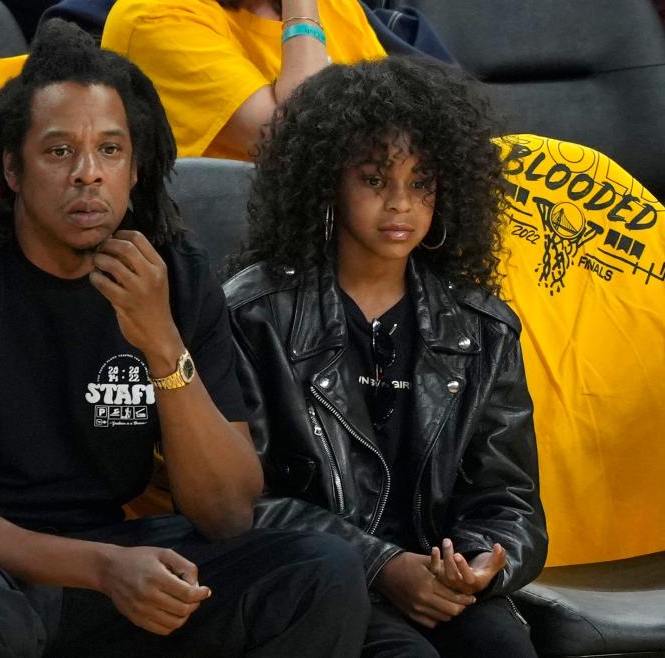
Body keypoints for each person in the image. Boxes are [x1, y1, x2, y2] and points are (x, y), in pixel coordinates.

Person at [0, 19, 369, 658]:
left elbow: (226, 513)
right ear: (12, 167)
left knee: (316, 573)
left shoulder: (173, 270)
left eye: (110, 151)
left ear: (136, 167)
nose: (89, 174)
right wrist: (96, 567)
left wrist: (163, 343)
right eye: (59, 152)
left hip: (101, 548)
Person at [225, 56, 548, 657]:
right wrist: (384, 566)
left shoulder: (484, 326)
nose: (401, 203)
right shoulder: (255, 314)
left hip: (443, 580)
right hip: (324, 579)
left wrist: (481, 565)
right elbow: (242, 504)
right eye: (376, 180)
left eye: (420, 183)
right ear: (327, 182)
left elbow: (509, 499)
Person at [102, 0, 386, 160]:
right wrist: (301, 12)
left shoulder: (334, 5)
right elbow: (301, 137)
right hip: (229, 243)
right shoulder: (152, 16)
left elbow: (395, 121)